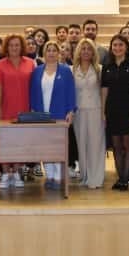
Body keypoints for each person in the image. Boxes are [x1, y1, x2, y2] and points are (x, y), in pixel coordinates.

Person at [28, 41, 76, 190]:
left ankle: (58, 176)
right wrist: (33, 110)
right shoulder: (37, 71)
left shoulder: (66, 71)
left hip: (60, 113)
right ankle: (49, 176)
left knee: (58, 146)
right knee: (45, 147)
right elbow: (32, 91)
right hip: (41, 114)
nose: (51, 53)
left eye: (54, 50)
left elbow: (71, 91)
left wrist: (71, 111)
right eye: (48, 50)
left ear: (58, 53)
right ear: (44, 53)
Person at [0, 34, 37, 190]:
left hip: (25, 109)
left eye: (17, 45)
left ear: (22, 47)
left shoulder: (31, 63)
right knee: (4, 141)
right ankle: (6, 173)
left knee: (21, 141)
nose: (14, 48)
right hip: (6, 108)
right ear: (7, 47)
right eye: (11, 45)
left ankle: (16, 173)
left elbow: (34, 87)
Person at [101, 35, 129, 191]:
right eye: (115, 45)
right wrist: (103, 112)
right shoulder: (107, 66)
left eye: (120, 45)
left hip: (128, 109)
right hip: (112, 110)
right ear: (111, 47)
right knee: (116, 146)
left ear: (126, 47)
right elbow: (104, 91)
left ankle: (125, 179)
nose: (117, 48)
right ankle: (121, 178)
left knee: (127, 145)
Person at [72, 39, 105, 189]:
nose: (86, 51)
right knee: (82, 144)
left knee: (96, 145)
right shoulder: (72, 70)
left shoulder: (99, 69)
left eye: (89, 49)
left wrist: (104, 112)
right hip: (78, 112)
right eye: (83, 48)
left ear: (93, 52)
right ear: (78, 51)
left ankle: (95, 178)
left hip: (96, 110)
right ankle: (84, 176)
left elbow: (104, 93)